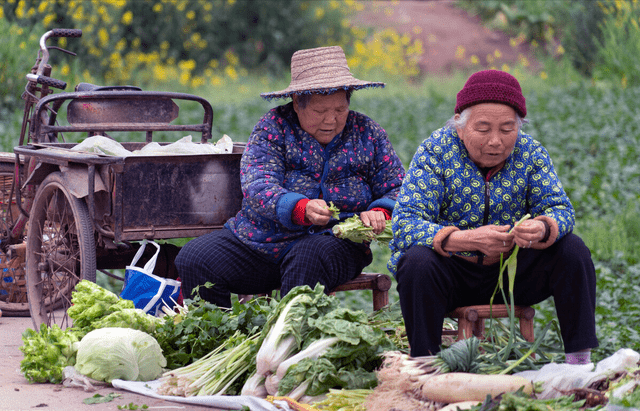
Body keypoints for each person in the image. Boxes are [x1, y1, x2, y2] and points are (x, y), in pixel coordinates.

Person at [388, 69, 598, 364]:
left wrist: (541, 227)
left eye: (507, 129)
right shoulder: (435, 152)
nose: (496, 141)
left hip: (511, 275)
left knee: (572, 249)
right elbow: (405, 222)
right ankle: (424, 364)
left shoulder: (531, 153)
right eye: (483, 129)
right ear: (460, 127)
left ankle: (579, 362)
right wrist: (464, 239)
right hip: (453, 275)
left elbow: (560, 209)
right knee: (417, 263)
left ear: (519, 127)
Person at [176, 45, 405, 308]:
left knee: (307, 256)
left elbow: (398, 187)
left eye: (340, 110)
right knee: (194, 258)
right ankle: (223, 341)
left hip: (334, 245)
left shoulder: (367, 133)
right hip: (262, 243)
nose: (331, 120)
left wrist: (381, 212)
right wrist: (300, 208)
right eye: (320, 112)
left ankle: (290, 346)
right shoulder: (273, 128)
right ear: (297, 103)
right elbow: (258, 184)